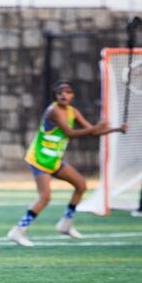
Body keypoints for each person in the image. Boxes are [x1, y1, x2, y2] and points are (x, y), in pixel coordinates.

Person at [8, 80, 128, 247]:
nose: (64, 94)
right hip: (40, 159)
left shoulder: (73, 112)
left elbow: (93, 132)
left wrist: (115, 129)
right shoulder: (53, 111)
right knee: (45, 197)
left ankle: (66, 223)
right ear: (55, 96)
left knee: (81, 185)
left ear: (72, 95)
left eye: (68, 92)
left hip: (54, 160)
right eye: (60, 92)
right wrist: (97, 127)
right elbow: (70, 132)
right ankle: (18, 230)